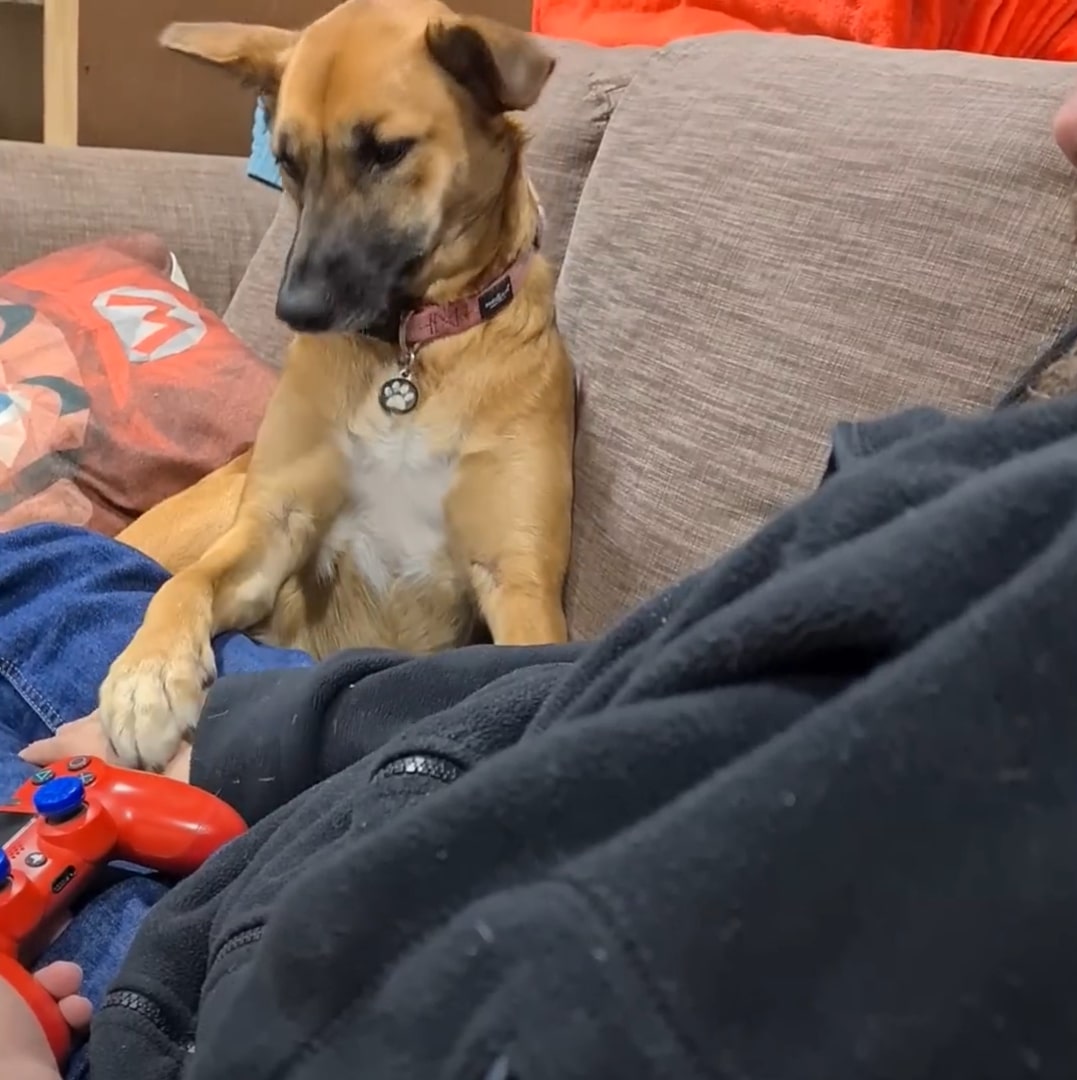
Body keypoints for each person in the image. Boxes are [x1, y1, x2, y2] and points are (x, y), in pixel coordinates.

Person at [5, 96, 1077, 1080]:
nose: (1065, 123)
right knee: (41, 565)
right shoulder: (1017, 488)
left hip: (218, 981)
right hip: (374, 761)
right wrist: (257, 737)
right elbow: (629, 679)